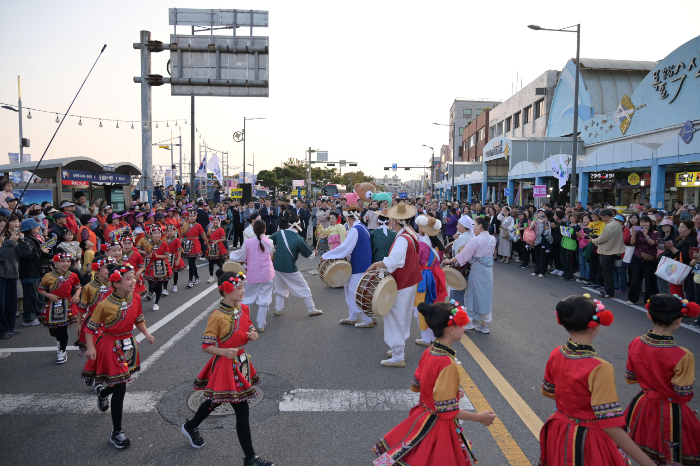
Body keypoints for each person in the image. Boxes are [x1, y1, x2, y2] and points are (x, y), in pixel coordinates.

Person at [539, 294, 655, 466]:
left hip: (559, 430)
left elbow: (548, 391)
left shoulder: (557, 353)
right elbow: (609, 424)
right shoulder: (599, 367)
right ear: (597, 324)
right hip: (587, 438)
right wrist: (647, 463)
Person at [372, 301, 490, 466]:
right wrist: (480, 417)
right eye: (462, 324)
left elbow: (417, 386)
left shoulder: (430, 351)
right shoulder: (447, 363)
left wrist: (452, 392)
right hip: (439, 425)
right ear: (451, 329)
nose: (464, 327)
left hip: (423, 414)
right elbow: (448, 411)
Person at [180, 270, 274, 466]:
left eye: (242, 286)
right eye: (239, 287)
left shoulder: (244, 308)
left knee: (216, 399)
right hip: (225, 365)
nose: (243, 290)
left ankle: (191, 426)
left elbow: (248, 327)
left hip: (241, 362)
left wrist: (252, 334)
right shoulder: (217, 317)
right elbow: (206, 345)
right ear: (227, 289)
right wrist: (223, 352)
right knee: (241, 409)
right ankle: (251, 458)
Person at [82, 264, 155, 449]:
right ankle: (117, 432)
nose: (134, 281)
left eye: (133, 277)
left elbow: (138, 319)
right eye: (128, 278)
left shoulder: (136, 298)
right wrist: (90, 347)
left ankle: (103, 392)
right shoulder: (104, 305)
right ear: (115, 283)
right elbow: (90, 328)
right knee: (121, 387)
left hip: (128, 344)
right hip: (110, 346)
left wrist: (146, 333)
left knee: (119, 384)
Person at [624, 294, 700, 464]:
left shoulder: (636, 342)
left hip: (643, 405)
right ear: (678, 321)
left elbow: (630, 378)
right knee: (671, 454)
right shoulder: (683, 355)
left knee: (641, 453)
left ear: (649, 314)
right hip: (670, 412)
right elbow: (684, 395)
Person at [367, 202, 422, 368]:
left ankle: (398, 355)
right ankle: (399, 349)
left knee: (395, 318)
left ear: (396, 222)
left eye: (392, 219)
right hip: (409, 281)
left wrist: (377, 264)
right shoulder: (410, 233)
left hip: (402, 282)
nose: (390, 222)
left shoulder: (402, 238)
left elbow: (394, 260)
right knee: (402, 317)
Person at [321, 204, 374, 328]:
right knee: (351, 290)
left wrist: (327, 255)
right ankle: (353, 316)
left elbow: (345, 248)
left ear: (349, 218)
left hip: (358, 265)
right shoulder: (363, 227)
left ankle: (367, 319)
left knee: (356, 292)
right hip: (363, 263)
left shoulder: (355, 230)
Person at [444, 217, 496, 333]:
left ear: (480, 226)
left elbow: (463, 256)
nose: (474, 228)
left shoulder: (476, 240)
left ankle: (470, 321)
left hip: (477, 270)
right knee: (486, 295)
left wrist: (449, 261)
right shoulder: (492, 239)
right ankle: (484, 324)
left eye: (475, 226)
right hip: (487, 271)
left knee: (472, 295)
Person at [269, 216, 323, 322]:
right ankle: (311, 309)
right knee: (304, 287)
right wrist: (314, 253)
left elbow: (268, 242)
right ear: (298, 225)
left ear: (289, 224)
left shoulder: (279, 234)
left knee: (280, 288)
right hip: (290, 268)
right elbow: (310, 256)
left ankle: (278, 309)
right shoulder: (299, 239)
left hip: (277, 267)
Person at [229, 220, 275, 331]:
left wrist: (230, 254)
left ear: (253, 230)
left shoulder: (248, 242)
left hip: (252, 274)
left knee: (247, 299)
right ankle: (261, 325)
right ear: (265, 230)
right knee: (264, 299)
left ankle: (245, 324)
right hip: (267, 273)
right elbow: (271, 254)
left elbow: (240, 256)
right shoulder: (270, 241)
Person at [38, 253, 82, 363]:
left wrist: (76, 295)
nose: (66, 263)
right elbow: (40, 289)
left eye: (68, 261)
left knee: (63, 329)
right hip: (53, 304)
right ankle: (59, 340)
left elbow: (78, 287)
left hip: (67, 304)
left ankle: (62, 351)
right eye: (62, 261)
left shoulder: (73, 275)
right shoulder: (48, 276)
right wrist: (49, 295)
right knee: (53, 331)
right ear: (55, 263)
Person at [413, 215, 447, 346]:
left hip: (424, 277)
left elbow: (415, 262)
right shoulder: (438, 244)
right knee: (435, 305)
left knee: (421, 306)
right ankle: (434, 335)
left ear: (421, 230)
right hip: (437, 276)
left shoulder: (421, 245)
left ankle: (426, 338)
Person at [74, 257, 114, 360]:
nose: (109, 270)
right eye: (106, 267)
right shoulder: (89, 287)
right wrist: (79, 324)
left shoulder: (116, 285)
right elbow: (82, 308)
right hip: (93, 322)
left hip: (111, 321)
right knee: (96, 350)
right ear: (97, 269)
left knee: (110, 350)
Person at [17, 218, 51, 327]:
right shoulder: (25, 240)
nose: (38, 227)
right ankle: (29, 319)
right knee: (31, 296)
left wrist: (43, 249)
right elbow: (28, 256)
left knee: (38, 295)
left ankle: (36, 315)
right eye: (36, 226)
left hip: (35, 271)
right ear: (30, 228)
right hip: (28, 272)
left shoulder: (32, 238)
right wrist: (41, 250)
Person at [590, 209, 625, 298]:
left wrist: (593, 240)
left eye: (602, 217)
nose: (602, 219)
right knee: (608, 272)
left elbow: (602, 239)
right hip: (612, 250)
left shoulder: (610, 225)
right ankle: (608, 290)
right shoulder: (616, 224)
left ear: (606, 216)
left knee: (607, 273)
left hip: (607, 251)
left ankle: (609, 292)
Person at [627, 215, 661, 305]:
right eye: (642, 222)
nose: (643, 224)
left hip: (650, 257)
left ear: (650, 223)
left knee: (649, 280)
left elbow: (653, 244)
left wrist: (646, 235)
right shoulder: (638, 232)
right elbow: (633, 243)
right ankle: (632, 298)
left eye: (645, 222)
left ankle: (649, 300)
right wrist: (634, 234)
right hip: (638, 256)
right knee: (635, 278)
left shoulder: (656, 233)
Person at [0, 218, 21, 339]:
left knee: (11, 304)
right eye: (0, 226)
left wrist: (19, 237)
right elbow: (1, 255)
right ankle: (2, 330)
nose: (3, 228)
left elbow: (22, 252)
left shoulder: (8, 238)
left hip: (11, 274)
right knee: (1, 305)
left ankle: (9, 327)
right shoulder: (9, 241)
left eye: (4, 225)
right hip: (1, 275)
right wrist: (11, 242)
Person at [143, 226, 173, 311]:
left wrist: (157, 256)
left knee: (160, 283)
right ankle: (154, 293)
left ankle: (156, 302)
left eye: (158, 233)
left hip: (162, 264)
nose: (157, 235)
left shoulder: (164, 243)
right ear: (151, 234)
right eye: (155, 233)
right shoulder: (148, 244)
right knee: (152, 283)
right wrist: (149, 255)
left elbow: (167, 255)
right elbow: (146, 255)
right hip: (152, 264)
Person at [181, 211, 208, 288]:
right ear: (188, 217)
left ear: (196, 217)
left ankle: (190, 280)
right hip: (187, 244)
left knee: (191, 261)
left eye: (193, 216)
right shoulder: (185, 225)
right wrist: (178, 245)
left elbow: (203, 235)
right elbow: (182, 236)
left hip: (195, 244)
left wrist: (207, 243)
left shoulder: (198, 225)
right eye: (190, 216)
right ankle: (197, 277)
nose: (192, 217)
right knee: (191, 262)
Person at [205, 216, 227, 283]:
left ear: (219, 221)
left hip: (218, 247)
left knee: (218, 262)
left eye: (216, 220)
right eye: (214, 220)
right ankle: (211, 276)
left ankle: (225, 272)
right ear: (211, 221)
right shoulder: (210, 229)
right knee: (210, 262)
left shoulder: (221, 229)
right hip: (211, 246)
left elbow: (224, 238)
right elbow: (208, 237)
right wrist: (207, 242)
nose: (215, 221)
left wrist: (217, 240)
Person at [164, 225, 185, 293]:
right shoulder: (165, 239)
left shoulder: (176, 239)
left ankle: (175, 285)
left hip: (175, 256)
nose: (170, 232)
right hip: (167, 256)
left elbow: (179, 250)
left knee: (175, 272)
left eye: (171, 231)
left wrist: (178, 259)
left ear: (174, 231)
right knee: (166, 272)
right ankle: (165, 288)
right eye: (168, 231)